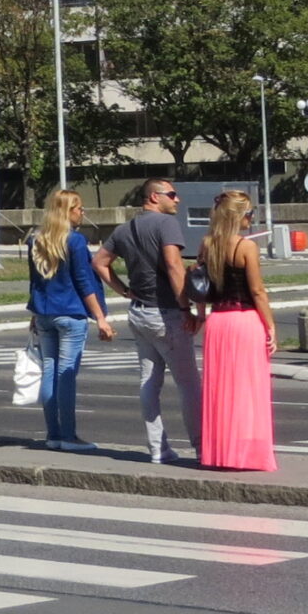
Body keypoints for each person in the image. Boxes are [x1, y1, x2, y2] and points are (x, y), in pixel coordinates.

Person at [95, 177, 202, 465]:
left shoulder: (125, 228)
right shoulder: (166, 224)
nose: (177, 199)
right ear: (154, 197)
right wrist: (186, 307)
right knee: (189, 383)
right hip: (166, 311)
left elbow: (99, 262)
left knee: (149, 382)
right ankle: (202, 446)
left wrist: (123, 290)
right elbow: (172, 264)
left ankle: (158, 448)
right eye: (172, 194)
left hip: (138, 311)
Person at [193, 189, 277, 472]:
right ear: (239, 216)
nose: (251, 219)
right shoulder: (246, 247)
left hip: (218, 323)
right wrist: (271, 326)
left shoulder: (207, 244)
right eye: (250, 214)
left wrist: (201, 315)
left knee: (221, 391)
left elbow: (200, 285)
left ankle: (219, 452)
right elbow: (257, 291)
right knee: (248, 390)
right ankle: (247, 452)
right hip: (245, 321)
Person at [26, 187, 112, 452]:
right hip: (71, 313)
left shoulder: (35, 239)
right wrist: (100, 318)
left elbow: (34, 281)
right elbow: (84, 282)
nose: (82, 212)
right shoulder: (74, 241)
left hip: (44, 313)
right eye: (78, 208)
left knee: (50, 372)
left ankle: (53, 434)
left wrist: (34, 314)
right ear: (66, 211)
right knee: (66, 374)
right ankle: (69, 436)